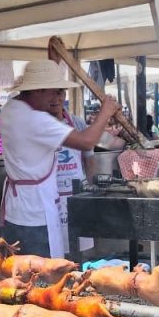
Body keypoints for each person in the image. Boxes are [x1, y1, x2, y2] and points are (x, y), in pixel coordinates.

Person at [0, 60, 117, 257]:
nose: (57, 97)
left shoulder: (11, 107)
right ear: (37, 90)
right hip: (35, 212)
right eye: (53, 91)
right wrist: (106, 112)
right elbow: (87, 141)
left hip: (17, 208)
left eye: (60, 92)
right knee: (42, 273)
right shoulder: (36, 120)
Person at [48, 93, 95, 255]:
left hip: (76, 192)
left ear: (65, 94)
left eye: (60, 93)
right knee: (55, 249)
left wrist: (90, 191)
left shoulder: (77, 122)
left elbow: (89, 159)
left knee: (78, 246)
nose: (55, 99)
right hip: (53, 196)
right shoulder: (42, 124)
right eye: (51, 94)